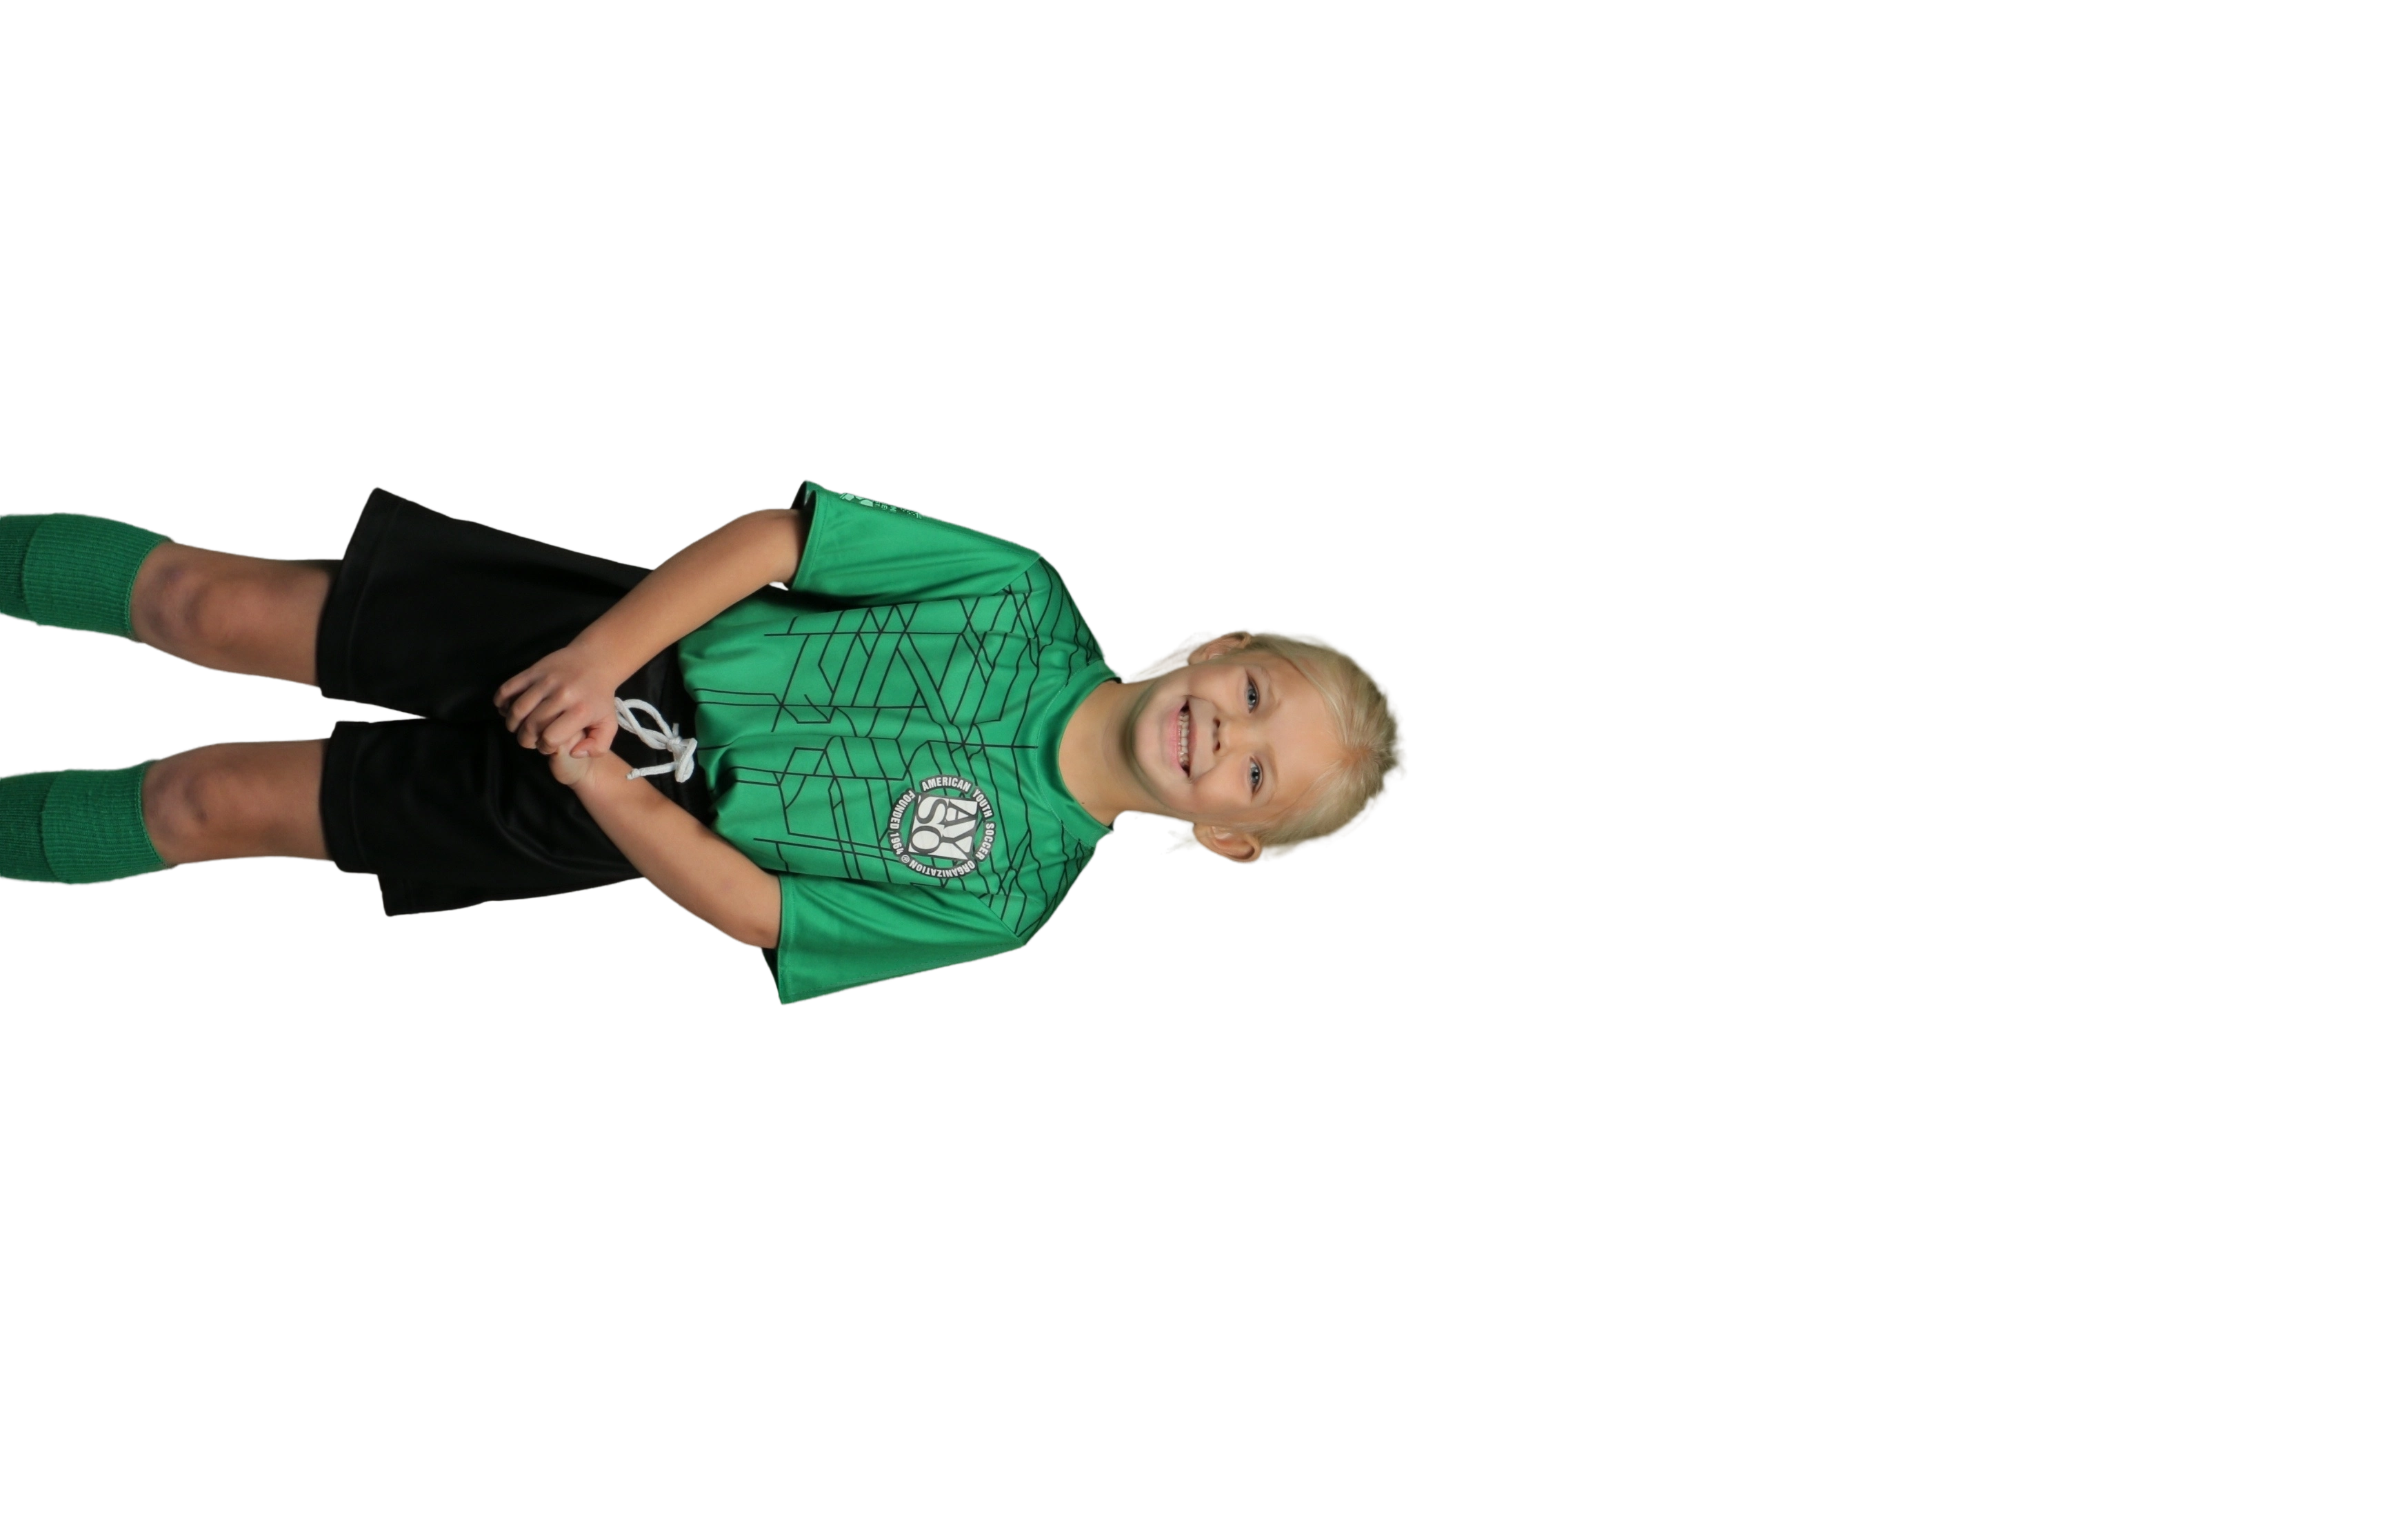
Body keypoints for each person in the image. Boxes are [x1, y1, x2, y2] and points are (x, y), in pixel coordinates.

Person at [1, 482, 1412, 1005]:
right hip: (612, 640)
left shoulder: (1005, 899)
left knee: (204, 802)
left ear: (1226, 838)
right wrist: (596, 665)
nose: (1222, 732)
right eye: (1253, 691)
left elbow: (759, 912)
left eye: (1254, 771)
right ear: (1218, 643)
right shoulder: (1020, 593)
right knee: (210, 606)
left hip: (602, 808)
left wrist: (596, 775)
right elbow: (783, 540)